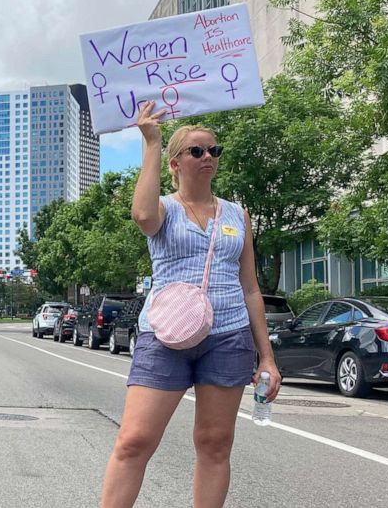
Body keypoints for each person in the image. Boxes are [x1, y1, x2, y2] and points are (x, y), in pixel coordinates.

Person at [100, 102, 282, 508]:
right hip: (165, 335)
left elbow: (251, 288)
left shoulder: (238, 214)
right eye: (197, 151)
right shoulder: (164, 207)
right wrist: (151, 141)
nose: (208, 158)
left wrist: (266, 358)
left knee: (215, 444)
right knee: (135, 440)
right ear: (175, 163)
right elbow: (142, 215)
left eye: (214, 151)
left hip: (228, 336)